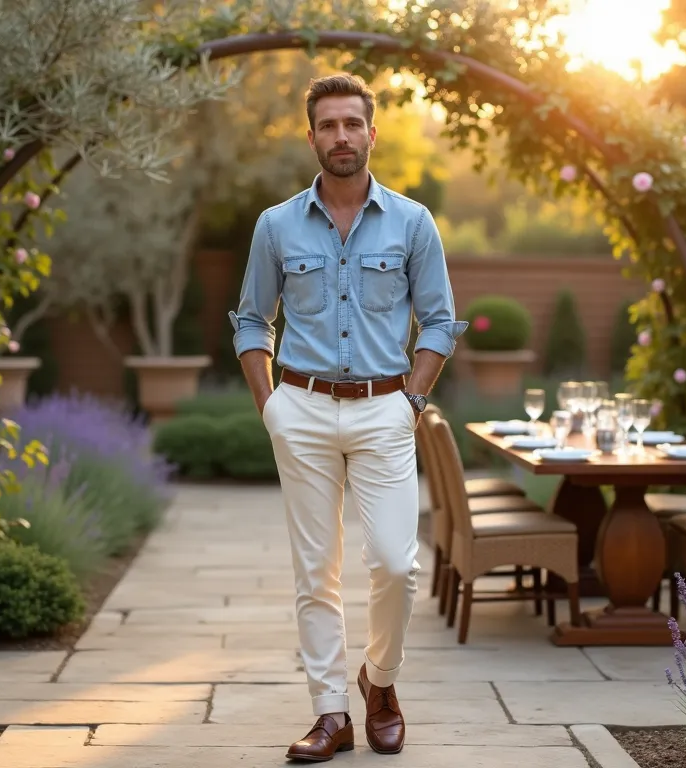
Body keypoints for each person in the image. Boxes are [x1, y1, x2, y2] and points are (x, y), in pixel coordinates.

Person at [228, 72, 467, 762]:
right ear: (311, 138)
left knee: (396, 564)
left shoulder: (412, 222)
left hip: (383, 409)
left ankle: (380, 683)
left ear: (372, 132)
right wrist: (269, 407)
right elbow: (251, 319)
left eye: (351, 124)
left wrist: (411, 403)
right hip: (299, 408)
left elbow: (440, 321)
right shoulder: (274, 225)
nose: (341, 136)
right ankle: (330, 713)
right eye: (328, 125)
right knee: (316, 570)